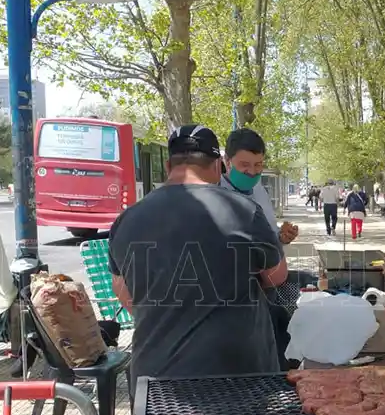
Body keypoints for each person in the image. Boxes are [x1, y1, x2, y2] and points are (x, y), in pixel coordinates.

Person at [107, 124, 287, 380]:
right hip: (236, 375)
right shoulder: (244, 211)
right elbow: (276, 276)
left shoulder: (126, 220)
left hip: (155, 378)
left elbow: (123, 291)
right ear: (217, 167)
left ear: (168, 167)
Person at [219, 128, 305, 370]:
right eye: (245, 164)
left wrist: (281, 237)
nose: (252, 172)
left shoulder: (258, 189)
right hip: (237, 294)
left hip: (269, 286)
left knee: (274, 350)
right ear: (227, 161)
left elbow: (266, 233)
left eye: (258, 165)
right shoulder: (216, 193)